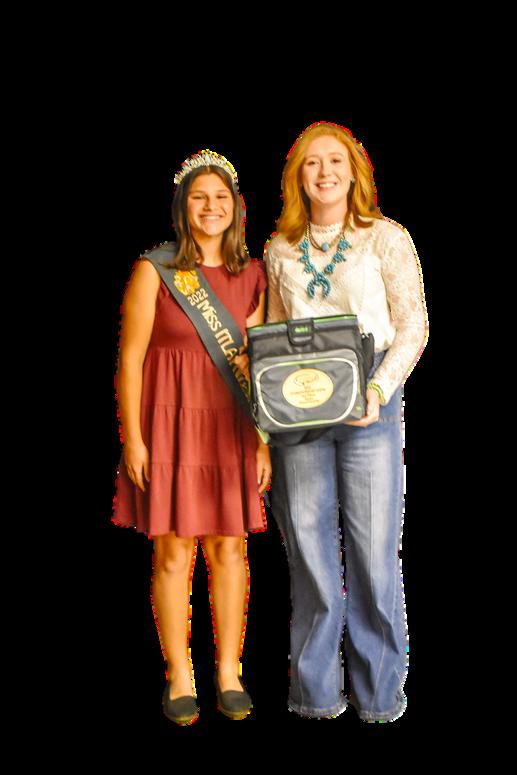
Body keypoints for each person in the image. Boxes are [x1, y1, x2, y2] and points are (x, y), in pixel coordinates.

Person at [263, 122, 428, 722]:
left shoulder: (386, 238)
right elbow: (273, 328)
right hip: (298, 413)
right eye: (312, 163)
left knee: (374, 556)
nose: (325, 172)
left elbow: (413, 326)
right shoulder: (279, 248)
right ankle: (315, 695)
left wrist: (379, 390)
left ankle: (379, 695)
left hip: (371, 409)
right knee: (309, 553)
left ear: (355, 172)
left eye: (336, 161)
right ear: (298, 177)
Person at [112, 150, 271, 725]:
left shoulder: (255, 275)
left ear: (236, 208)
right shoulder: (153, 270)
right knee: (174, 550)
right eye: (200, 197)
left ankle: (228, 671)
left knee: (230, 548)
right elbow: (131, 361)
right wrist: (134, 439)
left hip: (231, 426)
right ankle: (180, 674)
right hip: (170, 425)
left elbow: (263, 368)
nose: (211, 207)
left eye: (220, 198)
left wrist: (264, 442)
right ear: (183, 207)